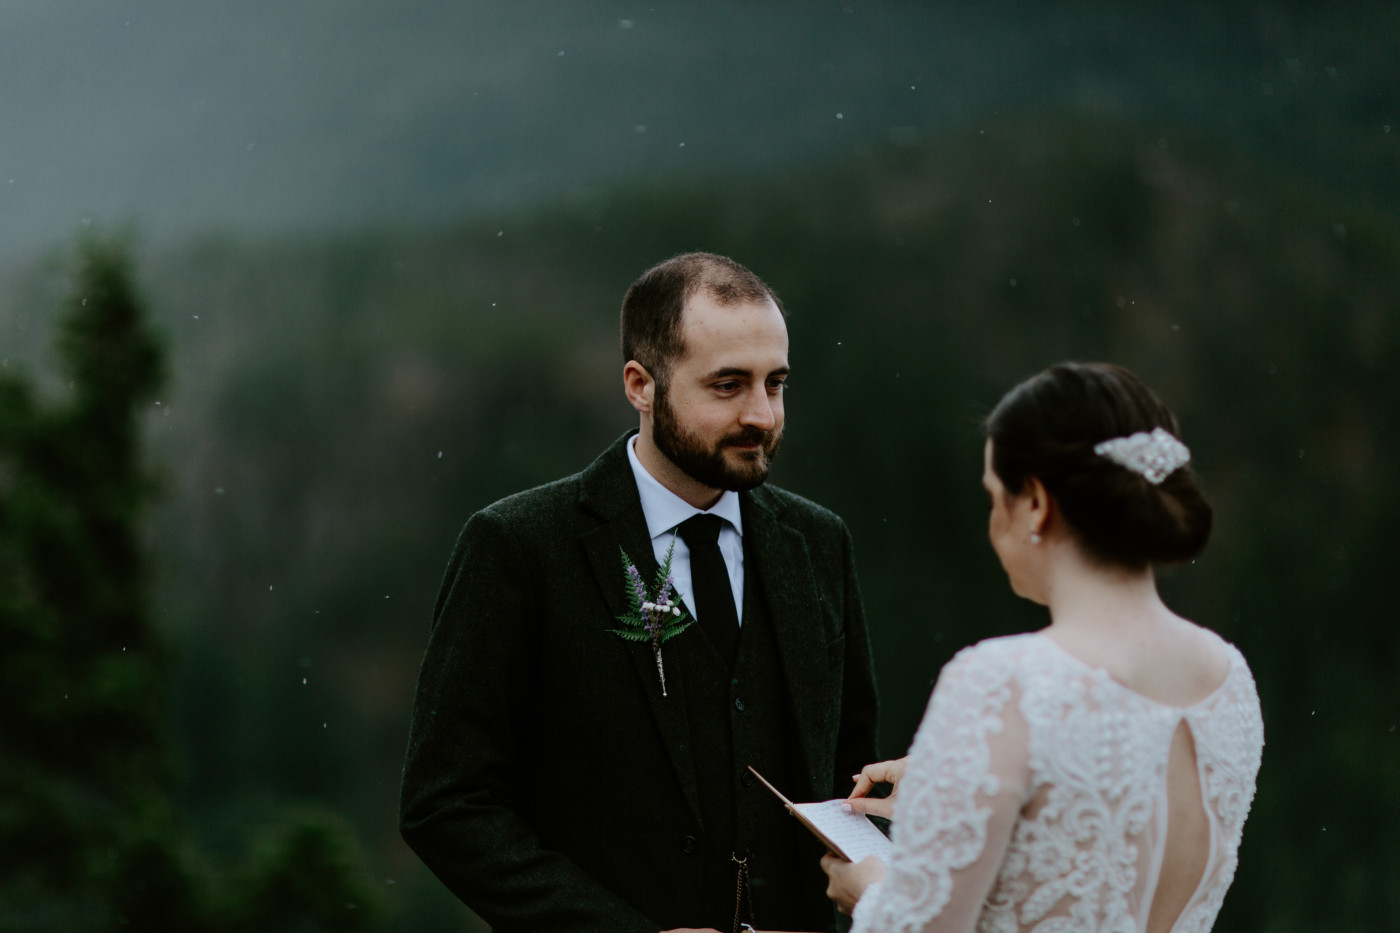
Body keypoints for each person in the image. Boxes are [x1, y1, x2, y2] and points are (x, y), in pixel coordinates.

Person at [400, 252, 879, 933]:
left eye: (776, 384)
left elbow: (849, 775)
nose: (761, 415)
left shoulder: (819, 543)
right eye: (727, 386)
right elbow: (445, 803)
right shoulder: (519, 545)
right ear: (640, 385)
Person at [822, 362, 1263, 933]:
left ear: (1034, 503)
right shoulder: (1228, 678)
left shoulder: (1001, 681)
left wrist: (874, 890)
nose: (992, 524)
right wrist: (956, 796)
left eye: (993, 496)